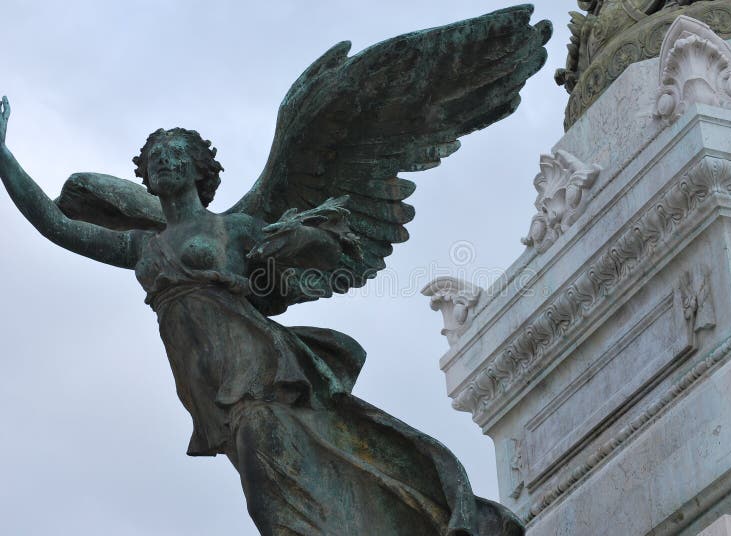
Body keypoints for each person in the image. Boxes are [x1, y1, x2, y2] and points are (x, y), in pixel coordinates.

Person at [0, 99, 524, 535]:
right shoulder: (143, 246)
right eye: (154, 156)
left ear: (198, 169)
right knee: (289, 494)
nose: (163, 161)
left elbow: (318, 256)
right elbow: (54, 224)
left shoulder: (236, 229)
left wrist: (303, 240)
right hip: (213, 394)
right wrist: (3, 155)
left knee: (273, 506)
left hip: (260, 378)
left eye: (175, 153)